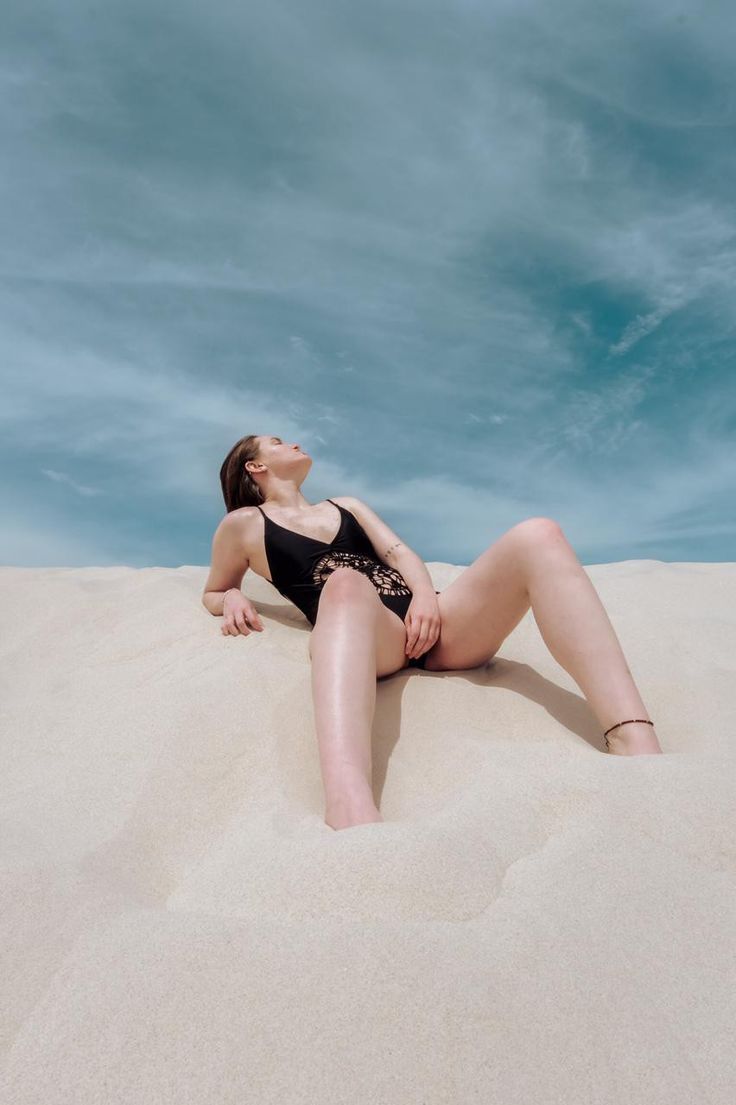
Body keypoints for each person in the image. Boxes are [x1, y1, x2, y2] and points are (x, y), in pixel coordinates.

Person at [203, 433, 663, 830]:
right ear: (256, 465)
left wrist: (425, 598)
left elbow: (401, 555)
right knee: (344, 582)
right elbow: (215, 590)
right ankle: (349, 803)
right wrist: (233, 597)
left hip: (436, 626)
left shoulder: (346, 505)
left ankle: (633, 735)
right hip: (370, 638)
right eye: (279, 442)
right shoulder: (243, 525)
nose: (295, 443)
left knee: (538, 533)